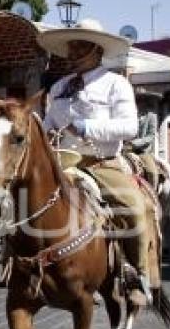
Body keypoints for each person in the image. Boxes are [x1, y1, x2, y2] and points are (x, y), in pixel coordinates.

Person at [38, 18, 155, 306]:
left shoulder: (116, 84)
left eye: (81, 47)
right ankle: (20, 263)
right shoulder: (59, 87)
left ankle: (136, 274)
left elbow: (129, 128)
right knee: (23, 200)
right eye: (72, 47)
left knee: (135, 208)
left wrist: (87, 127)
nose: (74, 53)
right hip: (62, 162)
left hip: (100, 163)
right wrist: (46, 129)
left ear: (97, 51)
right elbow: (49, 121)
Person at [128, 93, 160, 189]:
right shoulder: (130, 115)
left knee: (152, 172)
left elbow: (150, 136)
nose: (139, 103)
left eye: (141, 101)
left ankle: (153, 194)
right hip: (127, 150)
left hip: (143, 152)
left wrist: (134, 143)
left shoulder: (152, 117)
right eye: (137, 100)